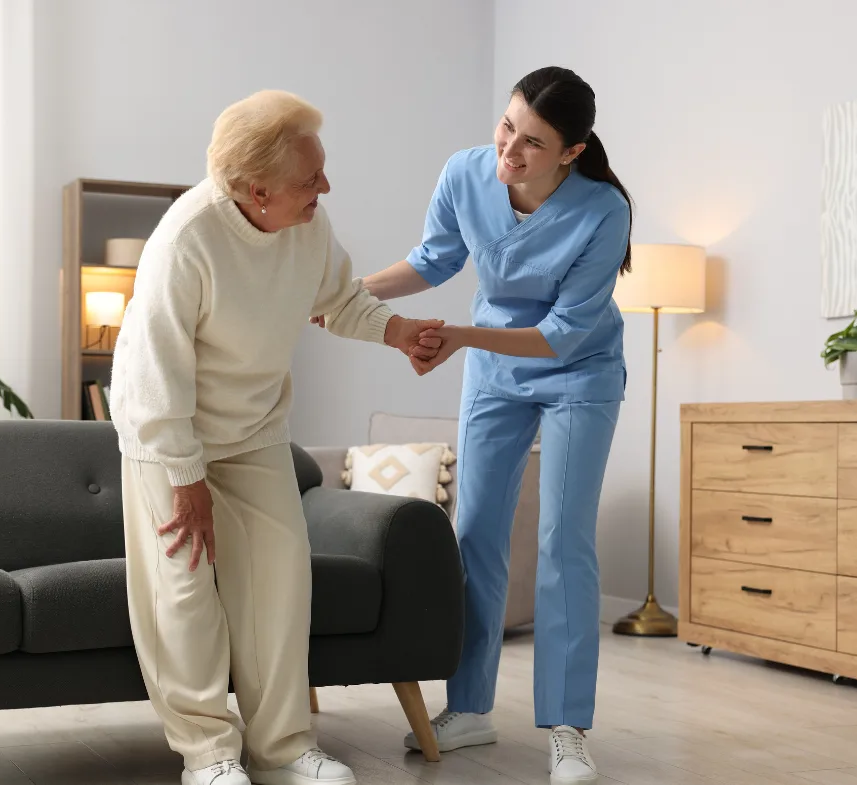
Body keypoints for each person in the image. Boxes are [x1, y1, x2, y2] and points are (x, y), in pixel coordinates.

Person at [110, 89, 443, 785]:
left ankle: (285, 747)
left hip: (255, 430)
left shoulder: (307, 226)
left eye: (320, 169)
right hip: (171, 436)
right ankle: (208, 756)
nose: (326, 184)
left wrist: (398, 331)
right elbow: (153, 376)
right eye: (309, 177)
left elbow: (339, 297)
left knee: (281, 582)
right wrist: (185, 478)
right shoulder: (186, 240)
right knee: (186, 591)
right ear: (256, 191)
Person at [316, 66, 631, 784]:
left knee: (563, 540)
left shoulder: (603, 212)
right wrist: (339, 293)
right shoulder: (466, 172)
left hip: (577, 370)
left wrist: (459, 335)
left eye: (532, 143)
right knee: (475, 532)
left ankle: (567, 727)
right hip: (495, 371)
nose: (509, 152)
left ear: (572, 152)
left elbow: (559, 334)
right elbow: (435, 258)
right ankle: (469, 707)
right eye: (507, 127)